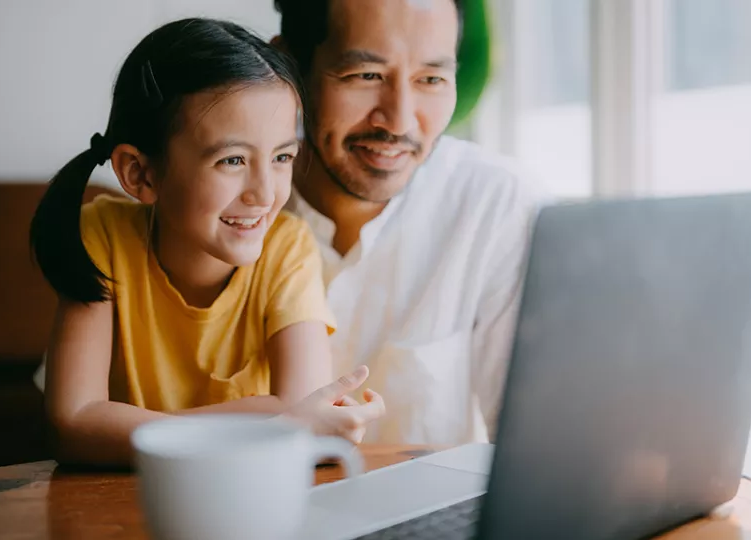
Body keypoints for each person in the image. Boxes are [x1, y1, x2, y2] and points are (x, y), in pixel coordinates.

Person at [30, 18, 384, 466]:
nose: (266, 192)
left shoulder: (288, 249)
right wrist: (268, 424)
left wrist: (127, 427)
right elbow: (73, 424)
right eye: (232, 159)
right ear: (140, 173)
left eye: (281, 157)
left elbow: (302, 415)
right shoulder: (104, 235)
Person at [272, 0, 548, 445]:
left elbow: (538, 444)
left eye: (431, 79)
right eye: (366, 76)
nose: (399, 119)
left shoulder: (494, 204)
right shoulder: (224, 210)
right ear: (288, 67)